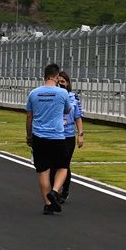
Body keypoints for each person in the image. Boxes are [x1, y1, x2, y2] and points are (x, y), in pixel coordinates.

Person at [25, 64, 71, 215]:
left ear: (44, 76)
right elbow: (67, 110)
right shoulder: (62, 93)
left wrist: (29, 135)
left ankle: (47, 203)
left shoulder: (34, 93)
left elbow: (29, 116)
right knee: (63, 167)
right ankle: (56, 191)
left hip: (39, 136)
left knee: (43, 171)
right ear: (57, 77)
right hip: (57, 135)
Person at [52, 69, 84, 203]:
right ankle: (54, 190)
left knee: (65, 164)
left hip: (69, 135)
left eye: (63, 82)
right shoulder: (54, 96)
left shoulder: (74, 98)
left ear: (68, 83)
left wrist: (80, 134)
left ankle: (64, 190)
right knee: (54, 164)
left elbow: (78, 117)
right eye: (58, 81)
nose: (60, 84)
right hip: (55, 134)